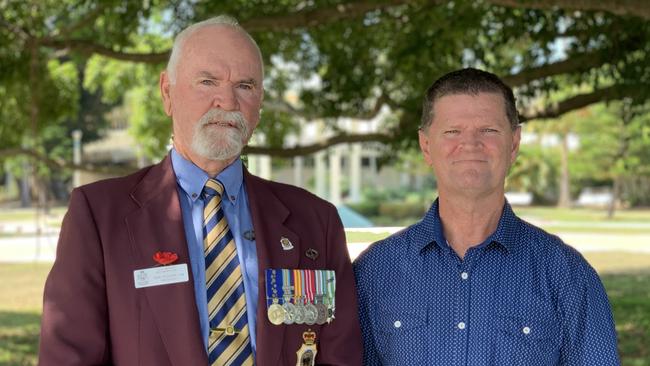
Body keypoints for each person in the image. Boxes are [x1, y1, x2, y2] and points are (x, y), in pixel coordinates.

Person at [39, 16, 361, 366]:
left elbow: (339, 355)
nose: (227, 100)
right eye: (207, 82)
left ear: (261, 101)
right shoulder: (100, 217)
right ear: (167, 92)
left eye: (245, 85)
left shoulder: (316, 221)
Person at [353, 68, 619, 365]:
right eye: (453, 131)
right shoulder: (374, 271)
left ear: (514, 144)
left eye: (488, 130)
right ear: (426, 146)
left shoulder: (566, 275)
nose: (470, 143)